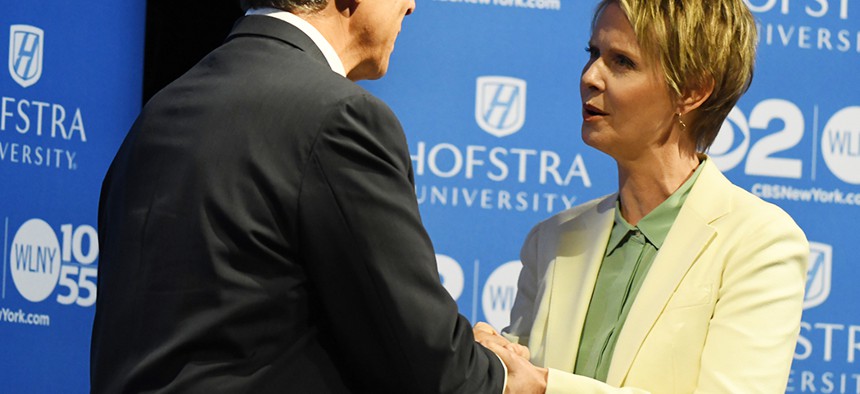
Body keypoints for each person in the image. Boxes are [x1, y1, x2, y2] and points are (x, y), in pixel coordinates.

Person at [90, 0, 509, 392]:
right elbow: (426, 362)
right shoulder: (340, 117)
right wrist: (495, 369)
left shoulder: (159, 112)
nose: (412, 5)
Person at [474, 0, 809, 392]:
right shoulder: (551, 240)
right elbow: (519, 379)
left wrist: (545, 386)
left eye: (622, 62)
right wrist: (492, 361)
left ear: (692, 90)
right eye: (594, 53)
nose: (590, 76)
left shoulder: (760, 243)